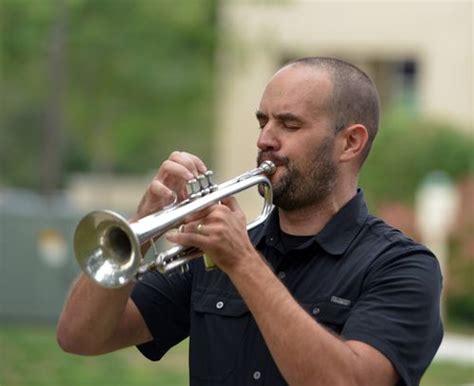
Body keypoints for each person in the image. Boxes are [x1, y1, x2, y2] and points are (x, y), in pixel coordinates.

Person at [57, 57, 443, 386]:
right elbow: (80, 336)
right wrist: (142, 223)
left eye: (289, 125)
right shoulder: (214, 250)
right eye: (263, 122)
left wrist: (242, 263)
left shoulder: (402, 267)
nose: (265, 140)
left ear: (350, 143)